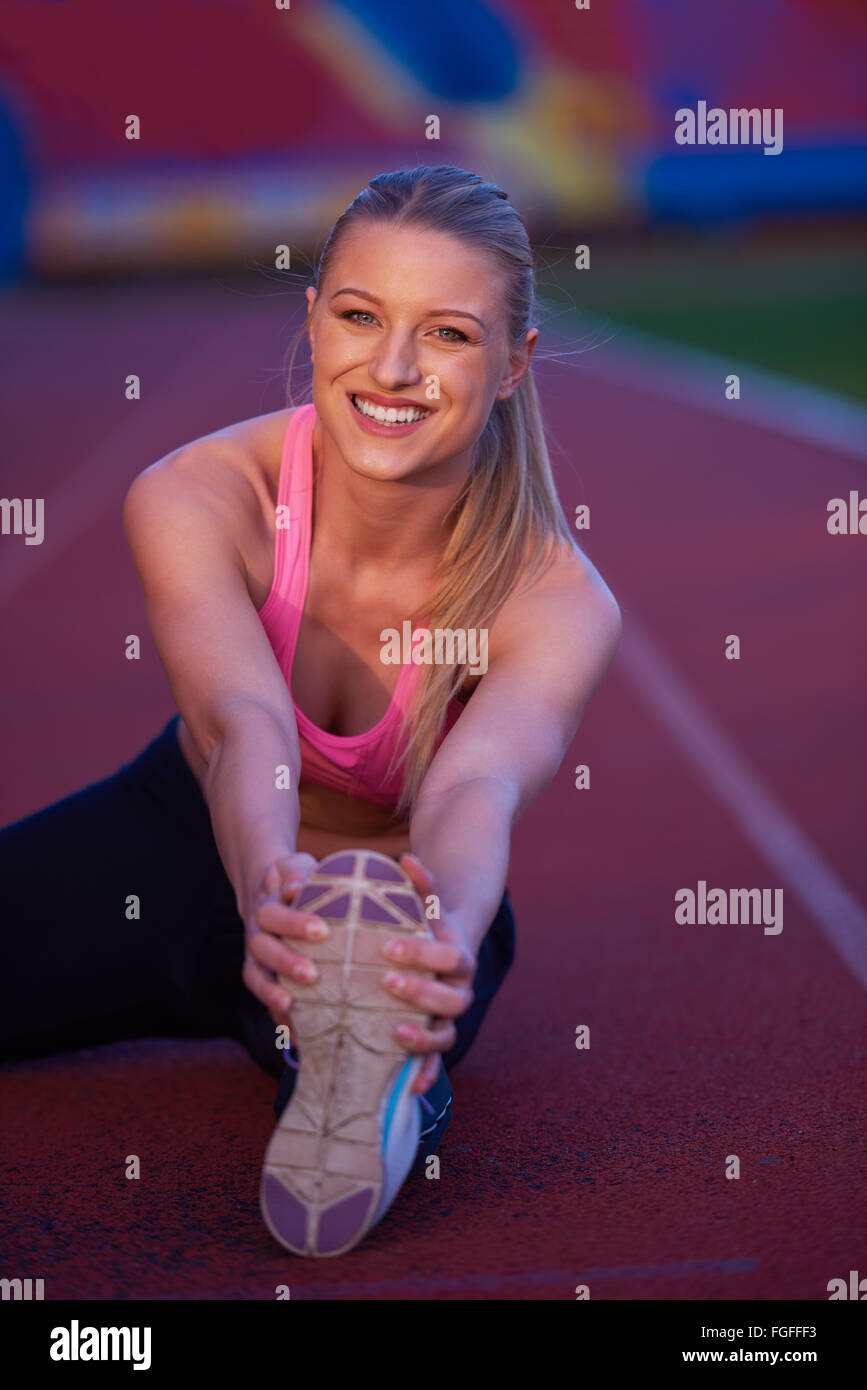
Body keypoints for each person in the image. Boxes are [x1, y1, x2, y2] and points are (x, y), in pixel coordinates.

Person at [0, 166, 621, 1257]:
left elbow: (476, 785)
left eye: (447, 335)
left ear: (514, 364)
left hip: (392, 901)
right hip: (186, 842)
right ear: (313, 317)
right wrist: (265, 889)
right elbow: (245, 721)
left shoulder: (556, 599)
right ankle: (336, 1030)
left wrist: (449, 935)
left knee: (371, 1006)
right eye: (359, 316)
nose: (391, 367)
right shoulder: (200, 495)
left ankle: (373, 1075)